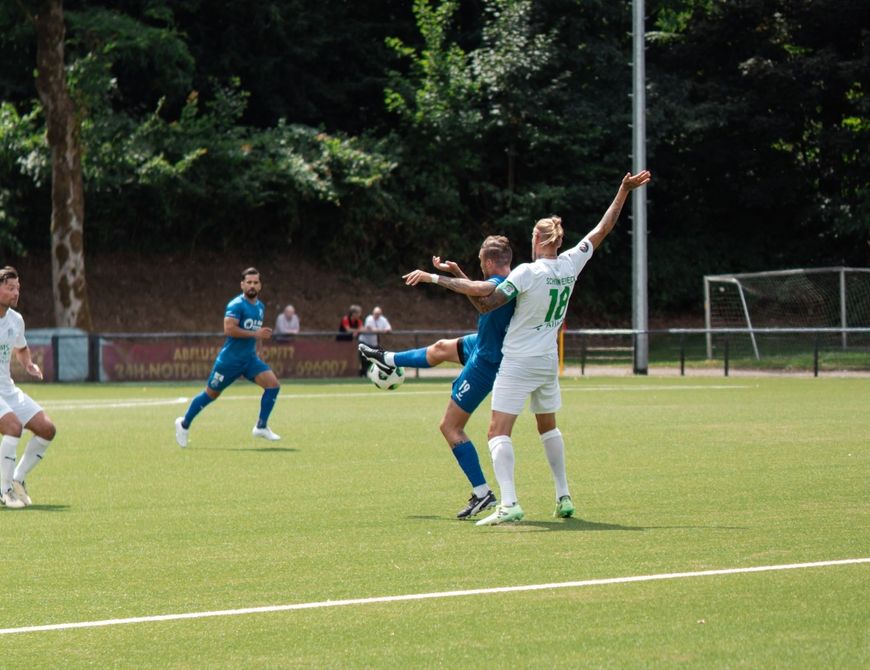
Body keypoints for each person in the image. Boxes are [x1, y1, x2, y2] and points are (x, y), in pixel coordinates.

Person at [406, 170, 652, 526]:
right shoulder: (571, 262)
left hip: (518, 360)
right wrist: (623, 191)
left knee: (496, 431)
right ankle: (563, 495)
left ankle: (509, 504)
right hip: (548, 362)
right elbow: (602, 229)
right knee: (548, 427)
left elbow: (485, 298)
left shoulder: (527, 272)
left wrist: (435, 278)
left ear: (537, 238)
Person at [360, 236, 515, 519]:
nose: (480, 268)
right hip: (483, 342)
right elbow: (481, 296)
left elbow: (482, 288)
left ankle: (482, 493)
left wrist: (433, 277)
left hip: (487, 360)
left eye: (481, 263)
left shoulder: (500, 284)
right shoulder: (511, 281)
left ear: (490, 262)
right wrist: (456, 273)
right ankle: (387, 358)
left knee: (450, 427)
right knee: (441, 347)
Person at [175, 267, 281, 447]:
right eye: (249, 282)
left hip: (249, 360)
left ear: (260, 285)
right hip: (229, 361)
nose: (252, 285)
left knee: (273, 385)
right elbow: (229, 330)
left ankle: (261, 427)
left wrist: (259, 351)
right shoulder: (236, 305)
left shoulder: (260, 307)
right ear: (242, 285)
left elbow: (258, 334)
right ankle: (183, 424)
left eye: (255, 282)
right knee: (211, 394)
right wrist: (256, 333)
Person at [0, 266, 57, 509]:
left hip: (7, 388)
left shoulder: (16, 320)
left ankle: (18, 478)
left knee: (47, 429)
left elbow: (21, 348)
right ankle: (4, 491)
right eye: (10, 288)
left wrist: (29, 364)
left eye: (18, 288)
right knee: (13, 426)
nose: (15, 293)